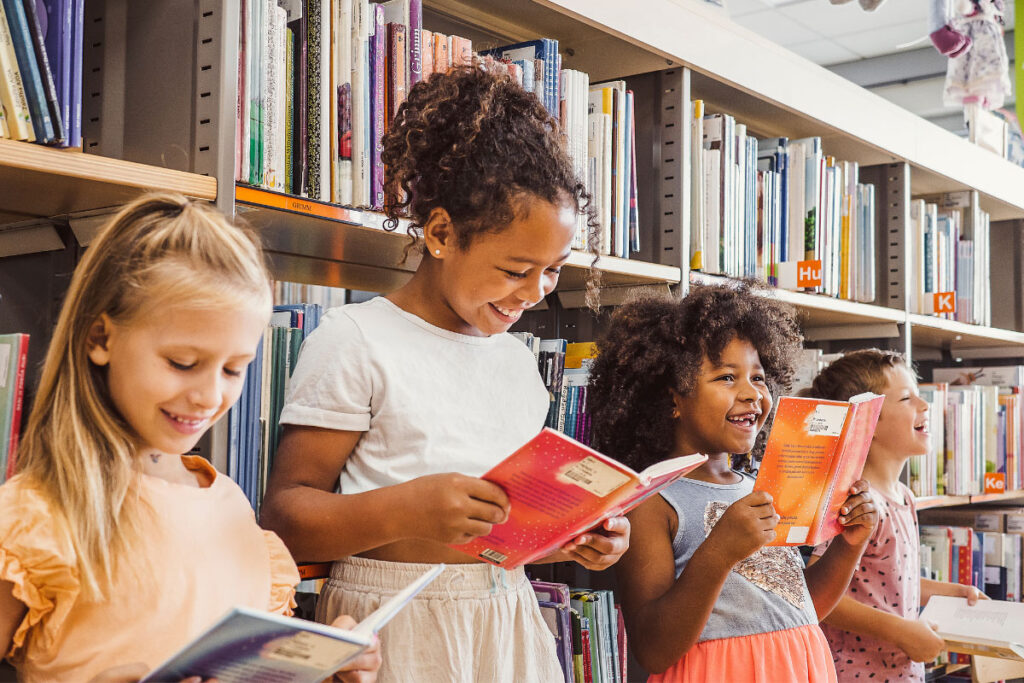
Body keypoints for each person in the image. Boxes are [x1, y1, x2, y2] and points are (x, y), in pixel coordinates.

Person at [259, 62, 629, 682]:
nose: (535, 291)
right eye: (515, 270)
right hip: (392, 626)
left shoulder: (517, 362)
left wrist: (568, 536)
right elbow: (285, 519)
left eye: (554, 270)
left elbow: (509, 523)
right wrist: (407, 511)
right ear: (439, 233)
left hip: (507, 620)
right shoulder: (356, 341)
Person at [0, 193, 380, 683]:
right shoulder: (36, 517)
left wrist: (330, 670)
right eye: (182, 363)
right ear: (100, 339)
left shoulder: (232, 510)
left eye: (233, 369)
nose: (208, 396)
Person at [586, 283, 878, 682]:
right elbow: (653, 650)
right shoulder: (652, 500)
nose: (751, 394)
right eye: (726, 377)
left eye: (758, 378)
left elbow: (801, 606)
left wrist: (850, 543)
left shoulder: (761, 484)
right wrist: (719, 551)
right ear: (672, 398)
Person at [805, 349, 986, 682]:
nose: (925, 405)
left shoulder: (903, 497)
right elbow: (820, 592)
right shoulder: (858, 504)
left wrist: (953, 592)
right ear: (868, 422)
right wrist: (901, 632)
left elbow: (890, 580)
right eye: (906, 399)